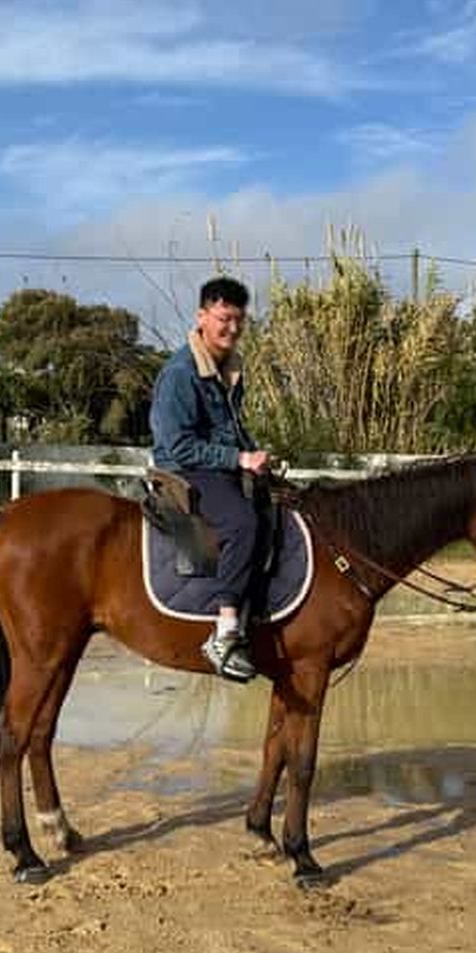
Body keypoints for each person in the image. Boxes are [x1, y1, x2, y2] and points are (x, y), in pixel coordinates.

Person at [149, 276, 269, 682]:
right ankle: (226, 630)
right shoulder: (180, 373)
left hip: (218, 465)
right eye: (223, 319)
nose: (232, 328)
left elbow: (230, 429)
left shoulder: (229, 368)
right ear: (202, 317)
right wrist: (238, 458)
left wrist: (254, 454)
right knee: (242, 523)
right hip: (184, 469)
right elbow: (178, 445)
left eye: (239, 320)